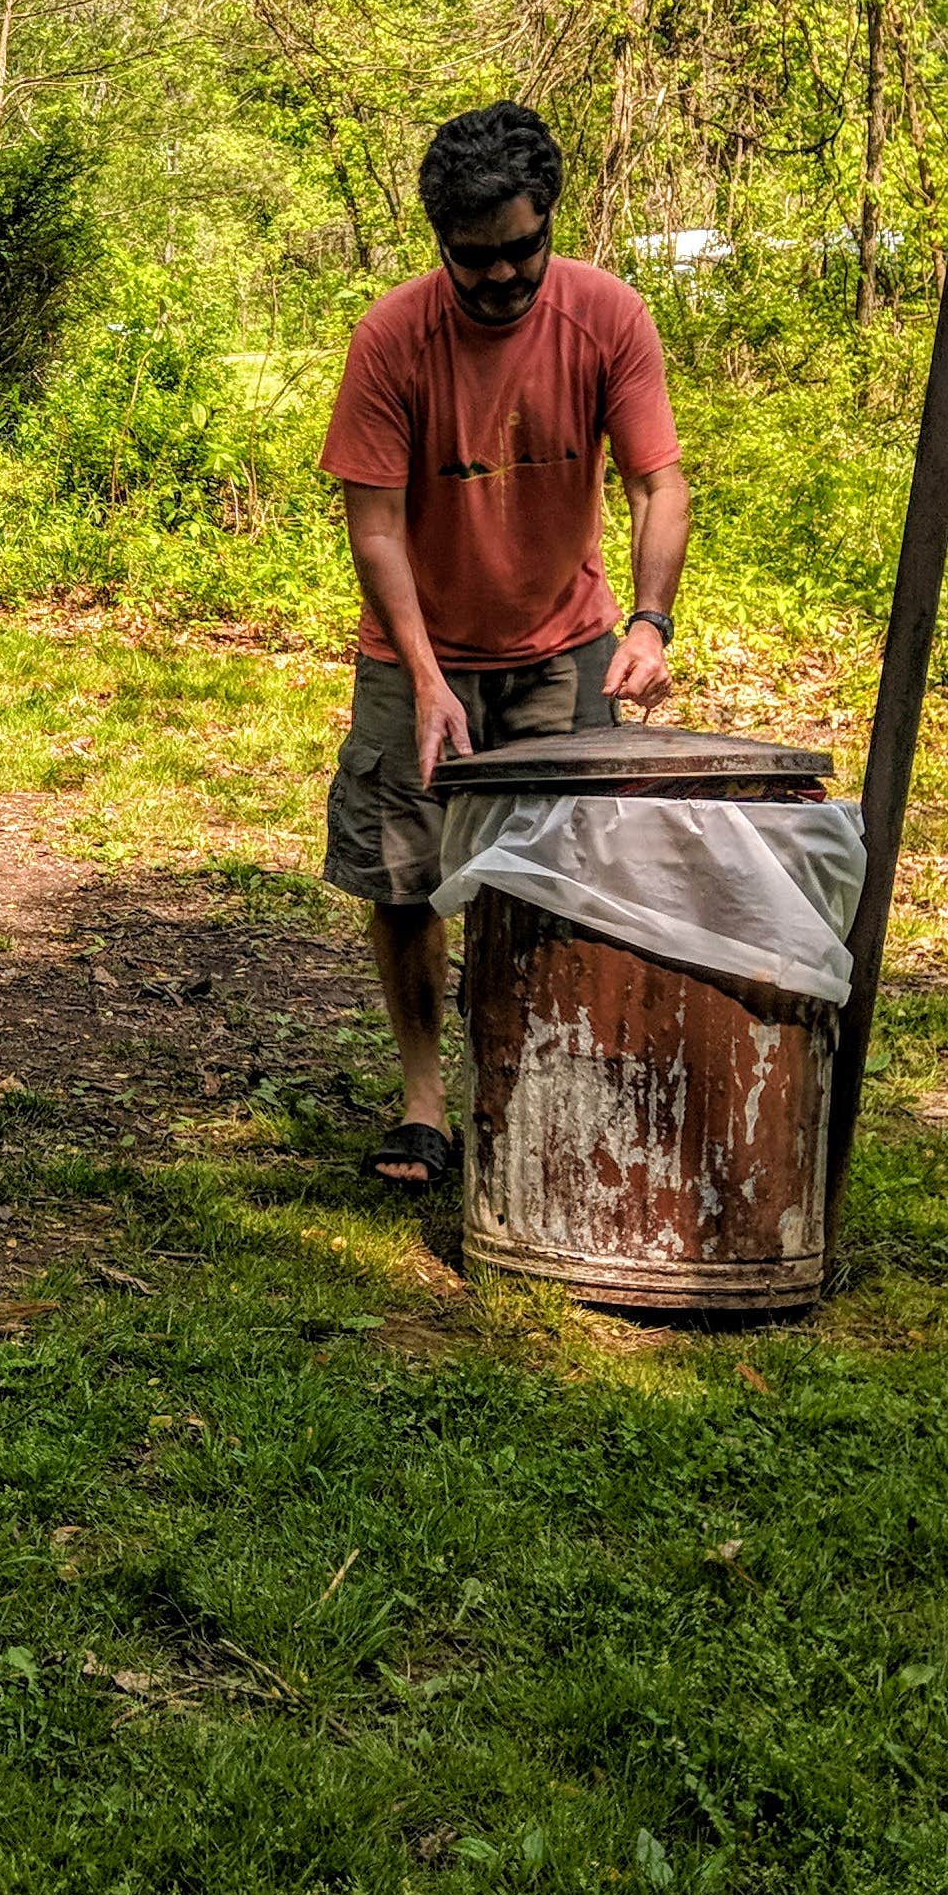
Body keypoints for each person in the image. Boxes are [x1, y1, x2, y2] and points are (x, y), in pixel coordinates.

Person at [318, 101, 688, 1194]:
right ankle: (425, 1104)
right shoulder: (392, 339)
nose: (501, 278)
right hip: (415, 646)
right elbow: (375, 526)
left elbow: (656, 483)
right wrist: (429, 679)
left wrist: (650, 622)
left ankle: (529, 1085)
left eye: (521, 249)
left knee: (561, 879)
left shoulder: (608, 317)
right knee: (405, 875)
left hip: (562, 642)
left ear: (549, 224)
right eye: (474, 260)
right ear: (440, 244)